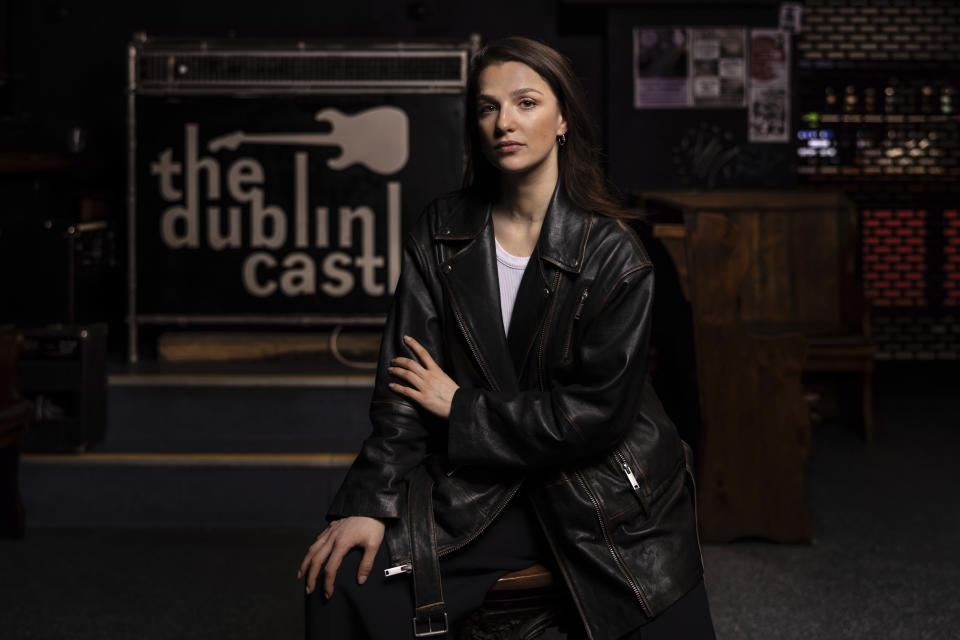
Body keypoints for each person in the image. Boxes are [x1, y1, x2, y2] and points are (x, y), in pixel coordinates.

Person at [299, 36, 716, 639]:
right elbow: (402, 386)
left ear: (563, 118)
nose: (505, 123)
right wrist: (370, 498)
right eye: (488, 107)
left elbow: (597, 414)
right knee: (340, 580)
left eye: (526, 103)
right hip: (482, 484)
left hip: (597, 485)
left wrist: (460, 408)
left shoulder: (614, 253)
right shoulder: (441, 231)